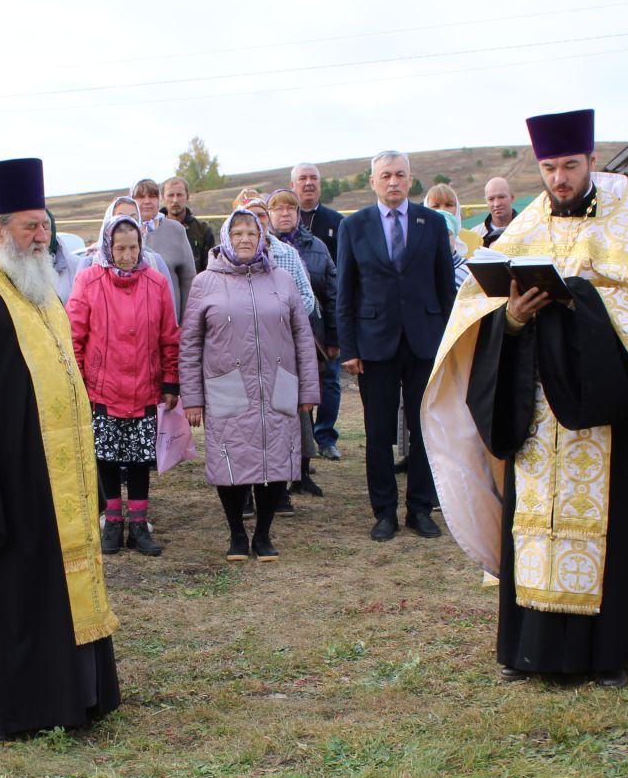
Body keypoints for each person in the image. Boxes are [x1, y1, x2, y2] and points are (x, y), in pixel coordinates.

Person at [422, 109, 628, 689]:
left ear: (591, 162)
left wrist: (577, 302)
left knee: (600, 524)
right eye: (548, 167)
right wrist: (510, 321)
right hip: (535, 407)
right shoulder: (526, 226)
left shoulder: (626, 227)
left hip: (601, 408)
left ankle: (603, 653)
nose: (558, 178)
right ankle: (527, 648)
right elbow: (483, 313)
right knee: (534, 524)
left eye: (568, 165)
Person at [0, 158, 120, 739]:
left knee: (57, 587)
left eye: (45, 225)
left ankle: (72, 696)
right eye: (30, 227)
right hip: (0, 484)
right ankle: (6, 709)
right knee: (7, 593)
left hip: (53, 478)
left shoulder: (37, 286)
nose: (42, 237)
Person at [181, 209, 320, 562]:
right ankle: (237, 534)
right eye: (238, 232)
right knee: (231, 463)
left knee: (276, 462)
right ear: (227, 237)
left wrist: (308, 391)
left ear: (262, 238)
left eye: (251, 233)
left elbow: (303, 338)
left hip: (278, 385)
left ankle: (263, 535)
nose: (245, 239)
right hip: (228, 386)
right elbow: (190, 344)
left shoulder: (282, 280)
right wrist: (192, 398)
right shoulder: (204, 283)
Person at [335, 150, 456, 542]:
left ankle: (420, 509)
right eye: (385, 175)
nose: (393, 182)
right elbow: (345, 293)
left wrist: (449, 341)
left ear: (410, 180)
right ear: (373, 181)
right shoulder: (354, 226)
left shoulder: (433, 223)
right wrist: (349, 347)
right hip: (375, 344)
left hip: (424, 342)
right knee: (378, 432)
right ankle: (384, 512)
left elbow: (445, 288)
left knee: (425, 430)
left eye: (400, 174)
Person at [69, 213, 180, 556]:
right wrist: (80, 384)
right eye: (120, 248)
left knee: (138, 460)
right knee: (106, 457)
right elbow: (75, 335)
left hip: (145, 386)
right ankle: (112, 524)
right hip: (103, 388)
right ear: (108, 246)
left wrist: (171, 382)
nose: (128, 255)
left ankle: (139, 525)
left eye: (133, 248)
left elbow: (169, 336)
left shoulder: (157, 283)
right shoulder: (88, 281)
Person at [267, 189, 337, 498]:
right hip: (273, 343)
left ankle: (303, 471)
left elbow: (331, 292)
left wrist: (332, 336)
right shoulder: (260, 247)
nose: (284, 213)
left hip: (310, 336)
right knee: (281, 406)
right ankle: (279, 475)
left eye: (290, 208)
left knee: (305, 404)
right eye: (277, 208)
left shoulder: (316, 247)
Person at [132, 178, 198, 321]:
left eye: (152, 196)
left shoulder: (176, 230)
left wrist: (186, 325)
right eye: (141, 197)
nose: (147, 201)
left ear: (159, 199)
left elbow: (188, 280)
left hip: (169, 320)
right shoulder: (122, 230)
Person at [162, 175, 215, 272]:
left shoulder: (203, 230)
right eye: (170, 195)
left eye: (179, 195)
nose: (175, 200)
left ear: (187, 196)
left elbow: (211, 270)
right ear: (163, 198)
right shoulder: (153, 229)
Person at [480, 176, 515, 247]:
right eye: (491, 199)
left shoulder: (528, 231)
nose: (497, 204)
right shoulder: (476, 235)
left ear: (512, 197)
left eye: (501, 197)